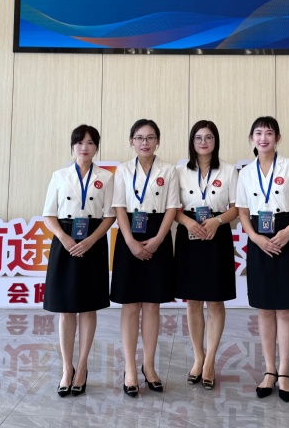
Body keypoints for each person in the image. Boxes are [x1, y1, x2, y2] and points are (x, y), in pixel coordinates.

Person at [235, 116, 289, 402]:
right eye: (258, 133)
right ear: (252, 138)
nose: (263, 138)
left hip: (286, 234)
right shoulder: (245, 173)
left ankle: (284, 373)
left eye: (269, 133)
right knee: (264, 309)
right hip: (259, 237)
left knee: (285, 308)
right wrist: (255, 238)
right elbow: (242, 211)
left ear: (277, 138)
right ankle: (269, 371)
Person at [42, 125, 116, 398]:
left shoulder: (106, 177)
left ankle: (82, 366)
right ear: (72, 147)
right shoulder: (59, 176)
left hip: (92, 243)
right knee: (66, 309)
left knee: (88, 307)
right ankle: (66, 368)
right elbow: (49, 214)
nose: (84, 147)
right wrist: (64, 238)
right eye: (79, 143)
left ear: (96, 147)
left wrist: (91, 240)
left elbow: (110, 215)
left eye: (90, 143)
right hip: (65, 242)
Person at [110, 119, 179, 397]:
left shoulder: (169, 170)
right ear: (131, 142)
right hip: (129, 234)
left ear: (158, 141)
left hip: (158, 233)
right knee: (130, 306)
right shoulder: (123, 170)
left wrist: (159, 239)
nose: (145, 143)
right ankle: (129, 368)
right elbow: (119, 207)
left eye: (150, 137)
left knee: (152, 305)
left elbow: (172, 207)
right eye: (139, 138)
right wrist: (129, 241)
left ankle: (149, 366)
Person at [175, 120, 240, 390]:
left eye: (209, 137)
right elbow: (172, 207)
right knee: (192, 300)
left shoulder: (229, 170)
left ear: (216, 141)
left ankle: (211, 360)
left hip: (217, 233)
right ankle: (198, 357)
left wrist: (218, 221)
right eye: (198, 138)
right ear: (192, 141)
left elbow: (237, 208)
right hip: (189, 233)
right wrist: (187, 222)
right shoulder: (180, 171)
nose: (203, 142)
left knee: (215, 301)